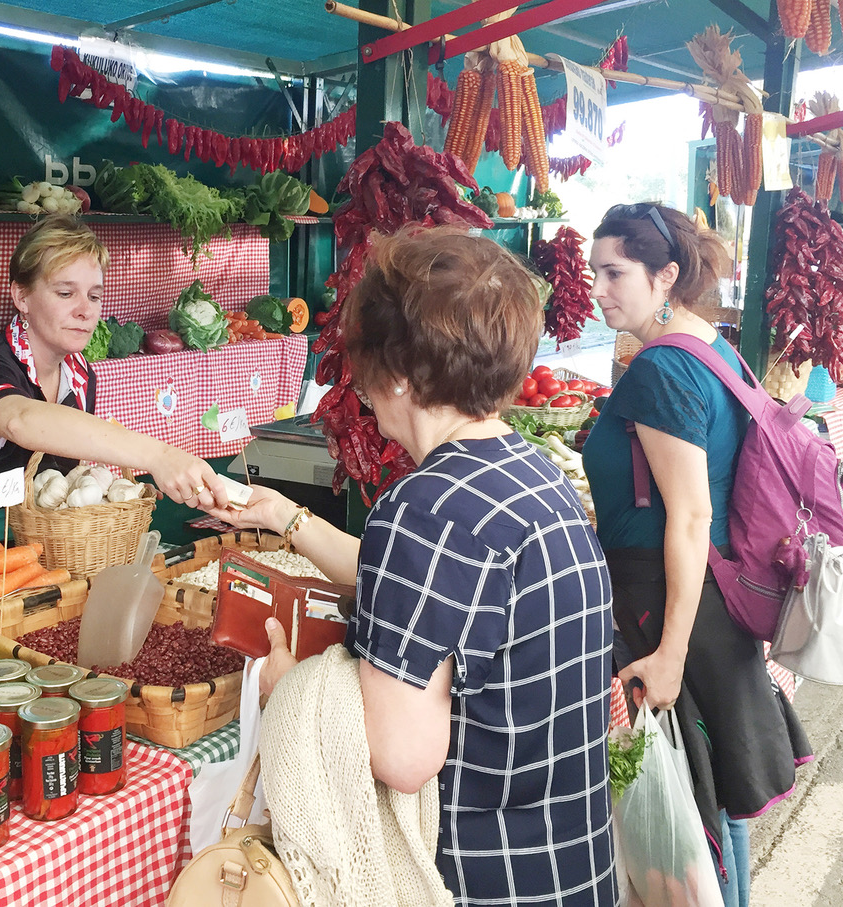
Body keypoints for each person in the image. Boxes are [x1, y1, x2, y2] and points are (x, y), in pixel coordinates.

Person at [208, 226, 617, 905]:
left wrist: (293, 689)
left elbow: (400, 757)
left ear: (395, 370)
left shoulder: (424, 509)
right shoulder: (530, 472)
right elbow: (435, 594)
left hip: (477, 877)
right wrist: (283, 515)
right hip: (567, 860)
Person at [582, 202, 812, 906]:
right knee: (711, 800)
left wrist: (670, 653)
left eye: (615, 273)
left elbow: (689, 516)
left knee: (690, 812)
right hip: (707, 594)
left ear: (665, 276)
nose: (598, 289)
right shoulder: (712, 346)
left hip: (670, 602)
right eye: (594, 272)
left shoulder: (661, 369)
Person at [0, 214, 229, 570]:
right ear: (22, 295)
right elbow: (20, 420)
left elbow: (55, 473)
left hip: (37, 553)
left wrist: (104, 490)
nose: (85, 311)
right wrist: (159, 456)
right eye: (65, 293)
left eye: (94, 296)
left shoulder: (79, 375)